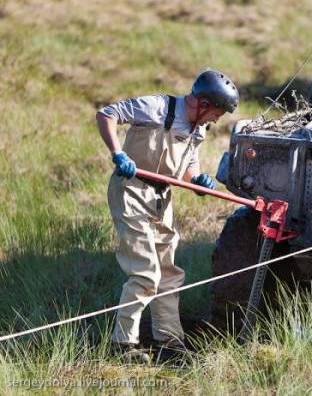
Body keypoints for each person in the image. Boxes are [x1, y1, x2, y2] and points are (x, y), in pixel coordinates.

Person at [96, 69, 239, 363]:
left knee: (169, 273)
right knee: (146, 271)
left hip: (163, 198)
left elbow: (189, 167)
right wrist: (118, 154)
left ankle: (169, 340)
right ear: (202, 103)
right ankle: (123, 345)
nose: (216, 120)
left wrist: (199, 181)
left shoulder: (198, 129)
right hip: (131, 191)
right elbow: (106, 114)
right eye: (217, 112)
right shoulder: (157, 107)